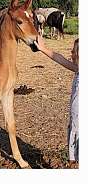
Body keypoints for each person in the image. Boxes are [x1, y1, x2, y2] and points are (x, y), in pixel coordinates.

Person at [36, 35, 79, 164]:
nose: (71, 53)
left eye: (74, 51)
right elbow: (59, 58)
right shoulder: (78, 69)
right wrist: (43, 49)